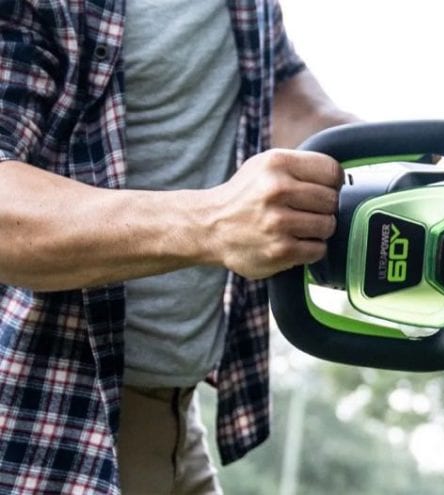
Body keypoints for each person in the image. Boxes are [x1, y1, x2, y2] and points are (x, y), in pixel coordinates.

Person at [0, 0, 357, 492]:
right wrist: (214, 222)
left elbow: (289, 102)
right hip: (39, 423)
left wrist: (416, 166)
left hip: (174, 422)